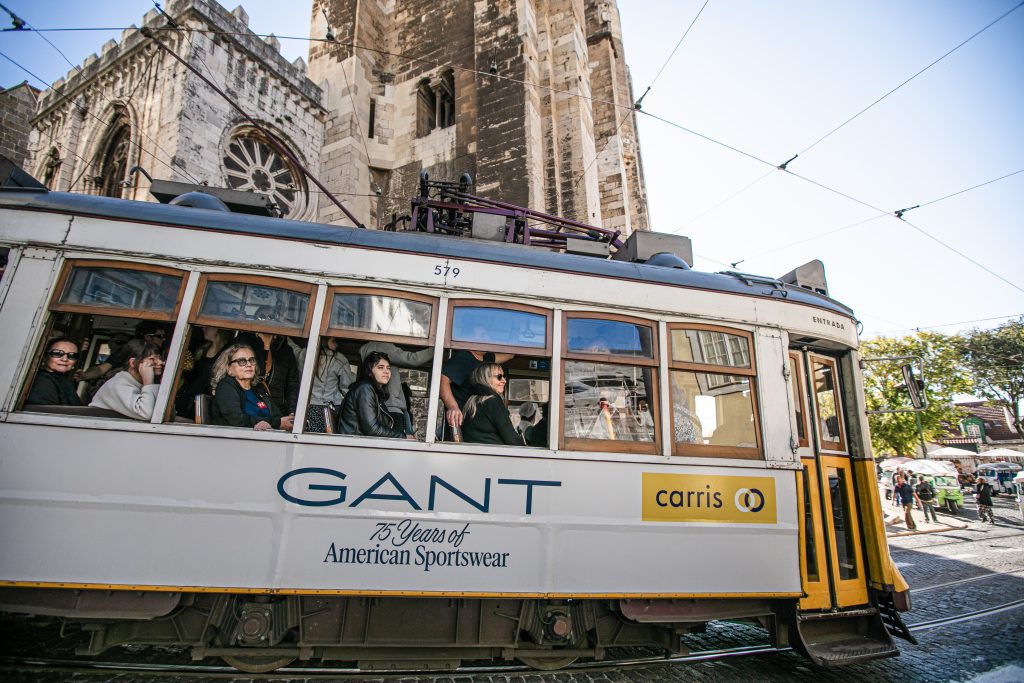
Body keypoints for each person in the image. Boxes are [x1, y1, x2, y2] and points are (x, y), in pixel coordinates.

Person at [210, 343, 294, 431]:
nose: (249, 364)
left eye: (252, 360)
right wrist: (273, 423)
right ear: (229, 369)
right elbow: (236, 420)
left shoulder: (259, 388)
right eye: (242, 361)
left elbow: (277, 416)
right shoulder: (226, 386)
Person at [337, 352, 411, 439]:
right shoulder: (365, 389)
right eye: (380, 367)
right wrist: (403, 436)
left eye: (388, 368)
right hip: (355, 444)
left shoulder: (374, 391)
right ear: (369, 372)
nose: (386, 371)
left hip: (360, 442)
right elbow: (372, 429)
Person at [440, 349, 514, 432]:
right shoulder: (463, 357)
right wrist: (453, 407)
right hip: (462, 420)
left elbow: (510, 355)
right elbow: (443, 380)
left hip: (480, 420)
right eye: (499, 377)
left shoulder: (487, 357)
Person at [89, 339, 163, 420]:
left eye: (159, 358)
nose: (160, 362)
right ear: (133, 363)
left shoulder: (138, 383)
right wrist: (148, 382)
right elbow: (145, 413)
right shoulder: (118, 384)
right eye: (152, 359)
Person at [78, 320, 169, 382]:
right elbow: (101, 369)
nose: (164, 339)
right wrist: (85, 376)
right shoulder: (128, 350)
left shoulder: (165, 353)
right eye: (160, 336)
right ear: (148, 337)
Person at [174, 327, 233, 419]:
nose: (203, 328)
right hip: (189, 398)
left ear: (219, 329)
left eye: (208, 326)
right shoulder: (203, 348)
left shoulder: (227, 353)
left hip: (207, 401)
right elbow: (194, 376)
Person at [461, 363, 524, 446]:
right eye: (499, 377)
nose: (504, 381)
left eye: (504, 377)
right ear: (486, 379)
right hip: (494, 455)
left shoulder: (471, 401)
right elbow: (511, 439)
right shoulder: (493, 402)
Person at [301, 337, 356, 432]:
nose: (337, 345)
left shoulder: (305, 353)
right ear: (324, 340)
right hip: (327, 409)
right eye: (334, 341)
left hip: (305, 407)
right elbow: (346, 387)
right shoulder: (338, 359)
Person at [25, 337, 84, 406]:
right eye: (57, 353)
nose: (64, 359)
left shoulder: (62, 379)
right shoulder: (43, 381)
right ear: (45, 356)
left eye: (72, 355)